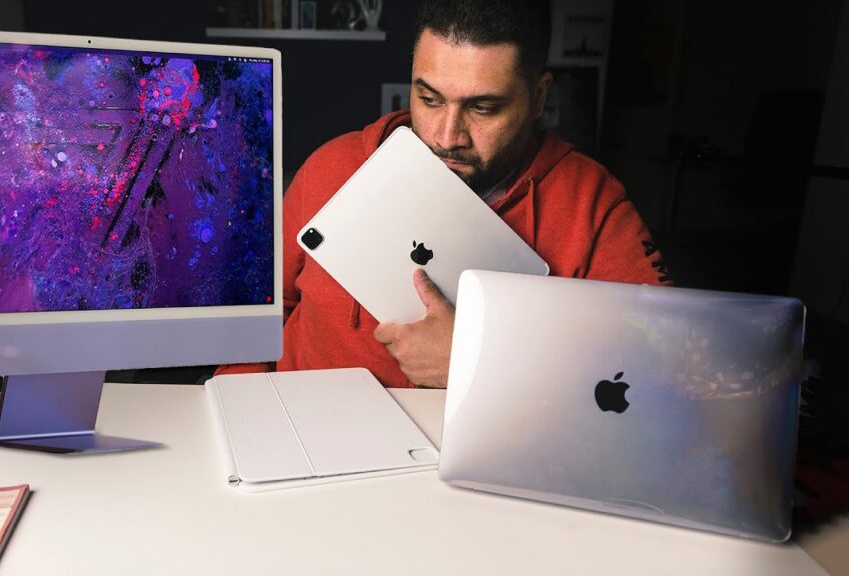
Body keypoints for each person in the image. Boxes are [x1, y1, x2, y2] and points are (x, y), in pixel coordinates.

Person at [217, 0, 671, 388]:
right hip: (305, 433)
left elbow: (663, 370)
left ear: (538, 96)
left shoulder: (592, 204)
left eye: (483, 107)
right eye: (429, 99)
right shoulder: (331, 166)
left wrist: (483, 363)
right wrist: (240, 407)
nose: (447, 136)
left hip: (476, 456)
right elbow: (252, 316)